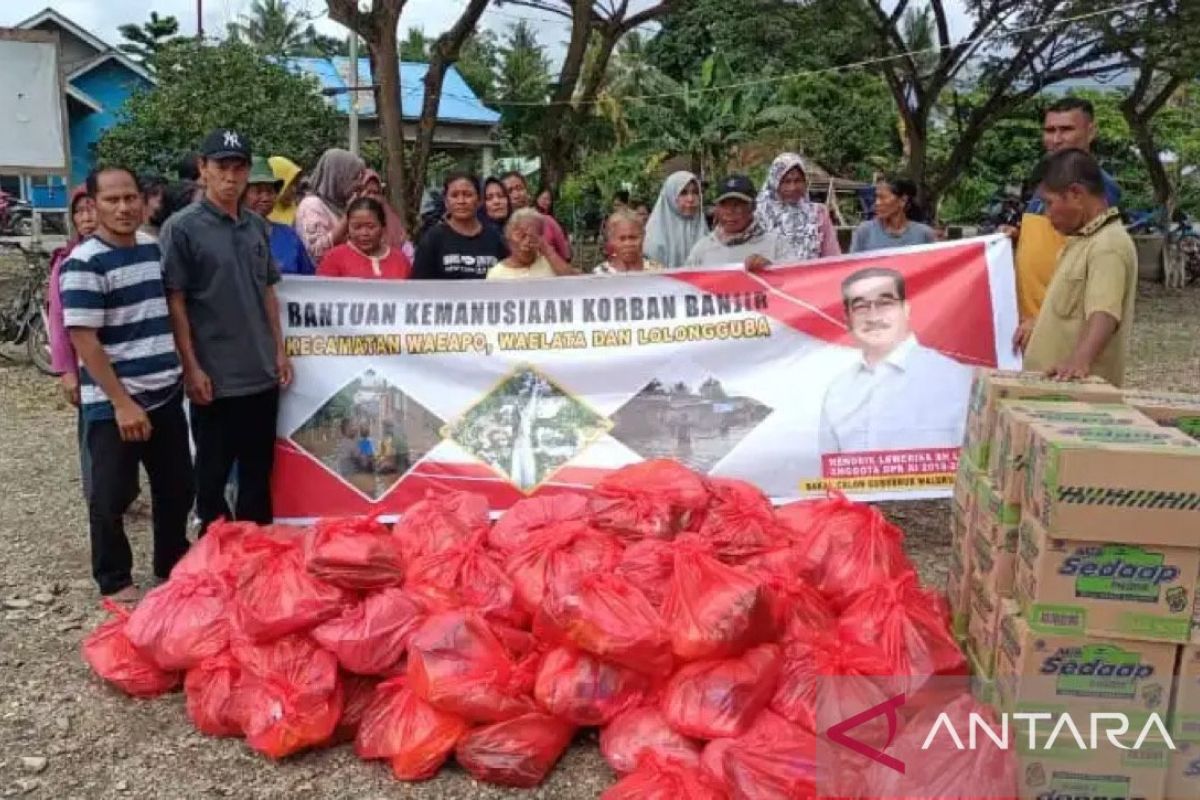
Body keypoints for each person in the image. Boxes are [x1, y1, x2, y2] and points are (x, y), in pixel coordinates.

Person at [60, 166, 193, 600]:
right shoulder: (82, 263)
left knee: (176, 487)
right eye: (112, 200)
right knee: (111, 495)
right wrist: (121, 403)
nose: (123, 207)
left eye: (130, 198)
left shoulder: (152, 250)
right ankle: (115, 580)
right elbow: (85, 339)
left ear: (143, 200)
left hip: (165, 392)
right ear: (93, 206)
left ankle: (171, 564)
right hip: (114, 401)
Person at [160, 128, 292, 535]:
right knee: (212, 476)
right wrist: (191, 366)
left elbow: (268, 291)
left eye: (238, 168)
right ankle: (215, 555)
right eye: (221, 167)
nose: (231, 177)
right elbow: (175, 300)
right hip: (214, 376)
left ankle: (255, 556)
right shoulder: (181, 228)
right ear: (203, 168)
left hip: (260, 372)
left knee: (258, 473)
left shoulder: (256, 227)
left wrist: (279, 350)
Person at [818, 267, 973, 455]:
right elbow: (829, 472)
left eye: (885, 303)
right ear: (847, 319)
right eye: (860, 307)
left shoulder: (955, 379)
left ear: (906, 309)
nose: (873, 316)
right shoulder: (838, 391)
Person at [1009, 98, 1122, 347]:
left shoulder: (1098, 190)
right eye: (1050, 130)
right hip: (1026, 328)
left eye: (1066, 130)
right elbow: (1053, 238)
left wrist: (1043, 321)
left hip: (1056, 331)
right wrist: (1017, 235)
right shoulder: (1047, 181)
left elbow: (1090, 263)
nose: (1056, 139)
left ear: (1091, 131)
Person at [1019, 149, 1136, 387]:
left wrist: (1079, 361)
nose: (1047, 214)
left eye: (1049, 203)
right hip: (1051, 390)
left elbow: (1104, 312)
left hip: (1074, 395)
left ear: (1075, 194)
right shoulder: (1081, 241)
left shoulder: (1108, 245)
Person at [48, 187, 98, 496]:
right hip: (86, 367)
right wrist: (66, 370)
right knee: (92, 434)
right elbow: (58, 320)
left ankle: (126, 493)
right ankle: (98, 496)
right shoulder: (67, 261)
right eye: (79, 211)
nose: (86, 217)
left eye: (91, 208)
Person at [685, 175, 797, 269]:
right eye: (724, 204)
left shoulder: (777, 245)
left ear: (753, 207)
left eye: (737, 204)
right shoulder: (702, 249)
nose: (730, 211)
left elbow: (796, 284)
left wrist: (772, 269)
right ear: (716, 208)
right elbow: (686, 288)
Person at [412, 172, 509, 280]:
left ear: (479, 200)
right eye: (454, 195)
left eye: (468, 195)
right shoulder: (432, 239)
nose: (461, 201)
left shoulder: (495, 238)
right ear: (446, 202)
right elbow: (419, 288)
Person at [755, 153, 841, 261]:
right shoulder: (758, 215)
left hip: (811, 276)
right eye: (786, 181)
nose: (793, 187)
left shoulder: (818, 214)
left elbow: (832, 257)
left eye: (798, 180)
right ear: (774, 182)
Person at [244, 156, 315, 275]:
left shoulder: (288, 235)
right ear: (241, 194)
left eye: (270, 191)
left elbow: (309, 280)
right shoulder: (229, 234)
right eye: (258, 191)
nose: (265, 198)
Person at [295, 148, 366, 264]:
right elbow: (315, 253)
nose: (359, 184)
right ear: (338, 178)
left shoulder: (337, 206)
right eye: (354, 178)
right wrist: (348, 216)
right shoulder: (311, 205)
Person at [318, 197, 412, 279]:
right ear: (348, 228)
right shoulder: (334, 258)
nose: (364, 233)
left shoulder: (400, 260)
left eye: (371, 227)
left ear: (383, 228)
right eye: (357, 227)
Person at [850, 174, 936, 253]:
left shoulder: (924, 234)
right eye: (876, 197)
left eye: (882, 197)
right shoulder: (865, 231)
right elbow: (853, 266)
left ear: (903, 200)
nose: (877, 203)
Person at [487, 208, 577, 280]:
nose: (527, 242)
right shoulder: (496, 274)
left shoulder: (551, 264)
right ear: (509, 236)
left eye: (533, 236)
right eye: (521, 235)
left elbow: (576, 284)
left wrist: (547, 250)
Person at [502, 171, 572, 262]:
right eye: (509, 191)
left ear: (527, 191)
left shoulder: (548, 222)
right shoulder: (502, 229)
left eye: (519, 188)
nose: (516, 195)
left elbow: (567, 258)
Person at [645, 171, 709, 269]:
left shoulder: (703, 229)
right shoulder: (654, 236)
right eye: (683, 193)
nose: (691, 199)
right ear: (670, 196)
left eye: (695, 192)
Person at [358, 168, 414, 261]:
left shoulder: (390, 217)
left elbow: (407, 251)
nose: (372, 197)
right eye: (368, 192)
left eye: (376, 193)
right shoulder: (351, 219)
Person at [594, 209, 665, 274]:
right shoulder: (600, 275)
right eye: (622, 239)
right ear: (611, 240)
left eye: (633, 238)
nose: (628, 244)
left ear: (643, 237)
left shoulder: (657, 271)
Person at [267, 155, 303, 226]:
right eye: (289, 184)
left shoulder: (299, 213)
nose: (294, 190)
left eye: (296, 184)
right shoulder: (259, 216)